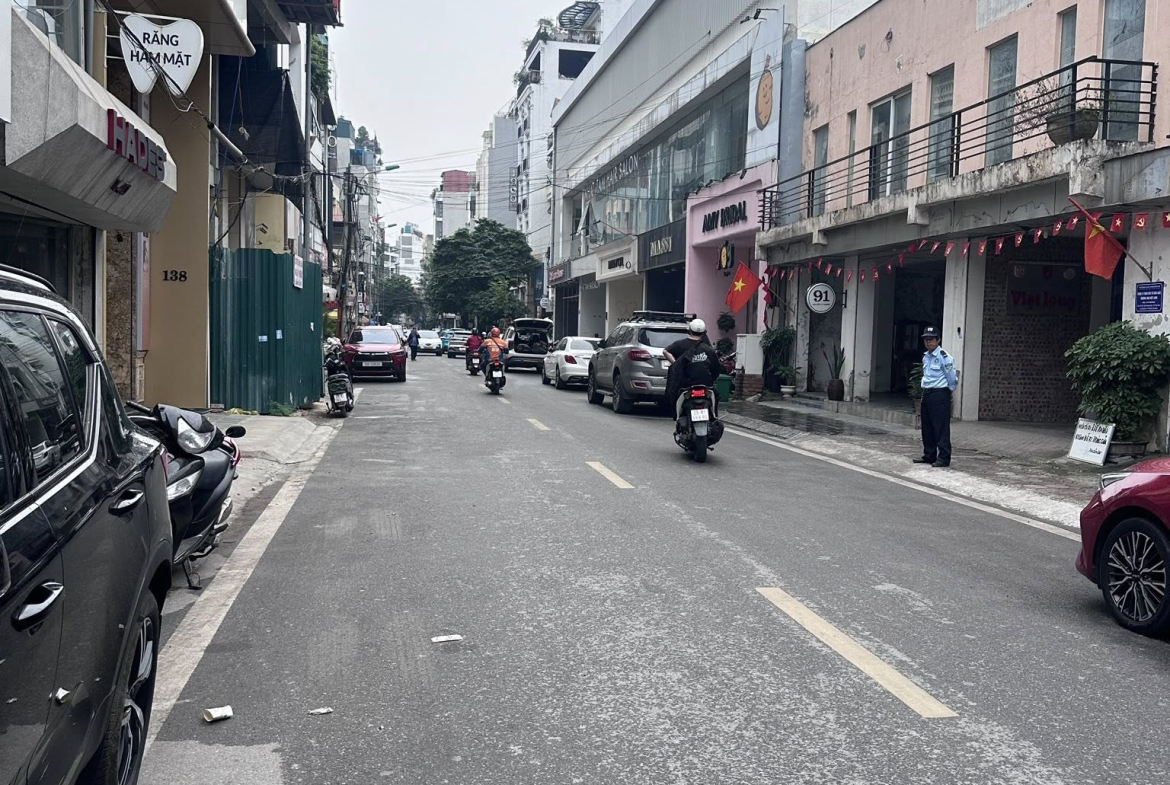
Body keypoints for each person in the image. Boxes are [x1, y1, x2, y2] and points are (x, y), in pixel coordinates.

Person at [914, 326, 958, 468]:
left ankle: (944, 458)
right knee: (927, 427)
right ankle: (929, 455)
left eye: (931, 339)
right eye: (926, 339)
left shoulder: (944, 357)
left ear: (938, 340)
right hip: (927, 393)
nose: (929, 342)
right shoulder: (926, 357)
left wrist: (947, 392)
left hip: (939, 394)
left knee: (940, 427)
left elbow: (952, 377)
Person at [666, 319, 723, 421]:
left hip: (685, 385)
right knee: (716, 396)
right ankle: (714, 417)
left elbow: (666, 351)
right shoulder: (708, 349)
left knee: (673, 396)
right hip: (706, 385)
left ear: (690, 330)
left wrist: (675, 364)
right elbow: (716, 369)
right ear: (704, 332)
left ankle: (677, 417)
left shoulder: (680, 344)